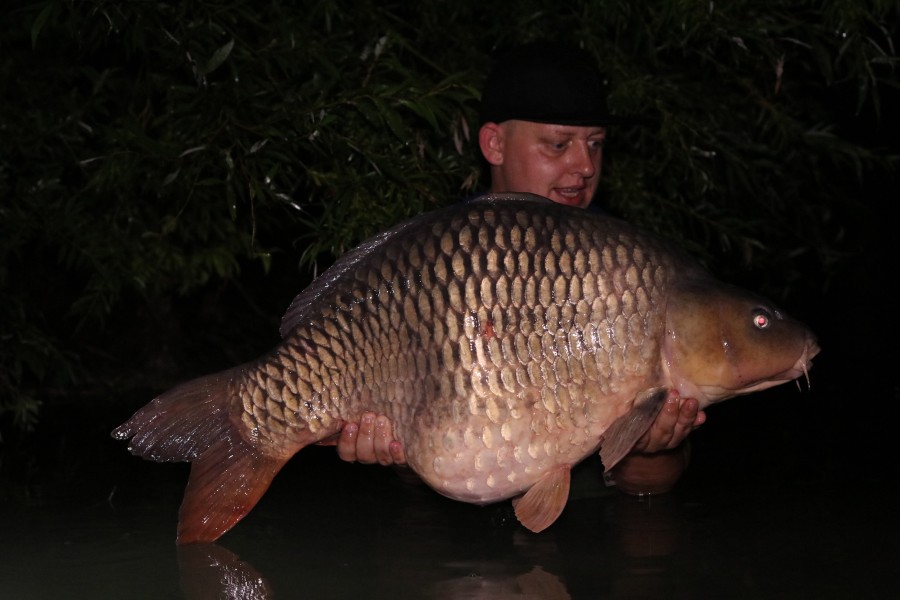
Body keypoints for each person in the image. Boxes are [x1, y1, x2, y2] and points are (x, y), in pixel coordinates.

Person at [331, 41, 705, 494]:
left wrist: (653, 446)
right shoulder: (430, 265)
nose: (585, 165)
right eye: (559, 143)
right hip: (454, 534)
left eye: (596, 144)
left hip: (582, 536)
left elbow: (649, 487)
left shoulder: (630, 274)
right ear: (494, 144)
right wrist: (394, 453)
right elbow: (429, 473)